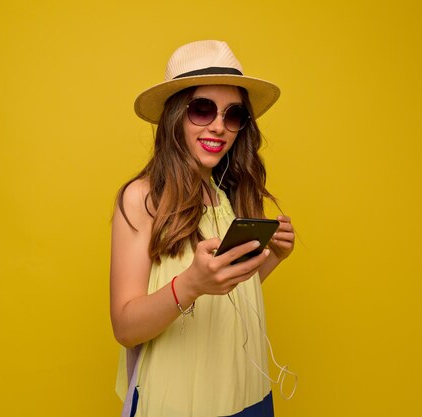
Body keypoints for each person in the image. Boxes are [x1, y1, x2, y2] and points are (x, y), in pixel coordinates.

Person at [110, 40, 295, 417]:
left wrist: (271, 256)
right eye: (202, 109)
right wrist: (190, 284)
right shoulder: (142, 197)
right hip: (181, 402)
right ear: (175, 114)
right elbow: (125, 327)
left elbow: (225, 294)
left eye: (233, 115)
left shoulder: (227, 194)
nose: (218, 126)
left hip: (249, 392)